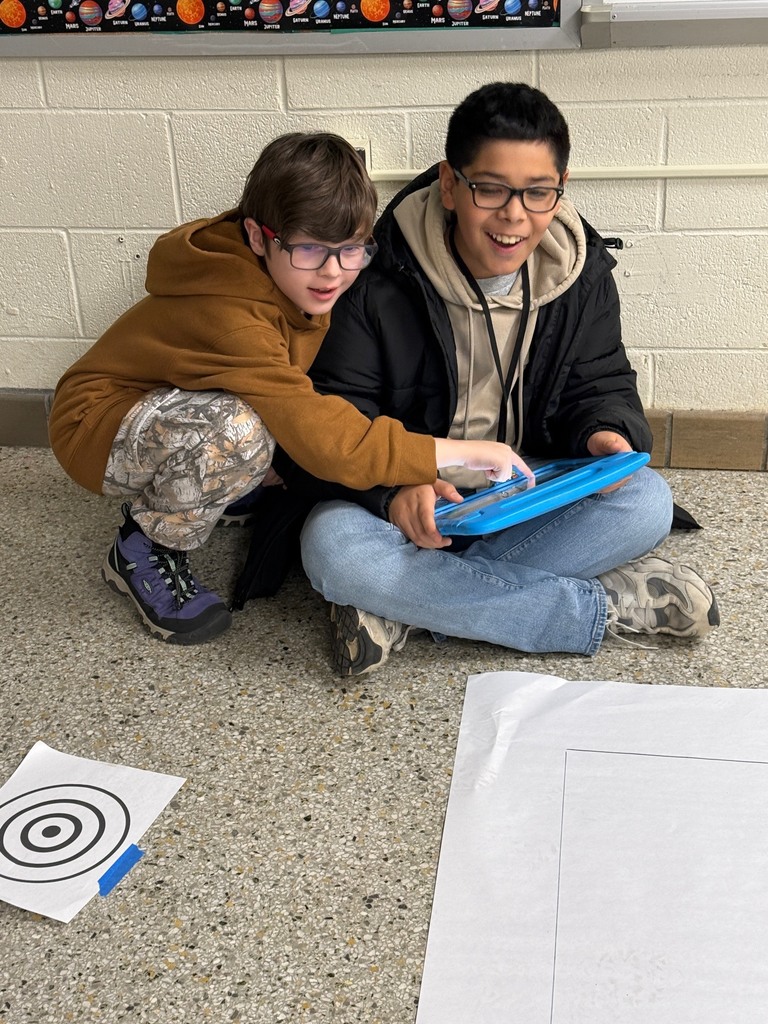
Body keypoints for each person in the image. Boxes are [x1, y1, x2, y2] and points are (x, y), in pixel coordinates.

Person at [291, 83, 719, 675]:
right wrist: (392, 492)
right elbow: (334, 419)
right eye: (490, 189)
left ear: (559, 191)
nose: (514, 215)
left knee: (646, 501)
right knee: (333, 547)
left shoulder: (580, 272)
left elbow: (601, 383)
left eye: (538, 193)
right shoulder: (376, 273)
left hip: (521, 489)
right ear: (449, 184)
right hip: (414, 492)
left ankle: (405, 606)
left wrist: (606, 432)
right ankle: (602, 607)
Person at [48, 132, 525, 646]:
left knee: (278, 428)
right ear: (258, 236)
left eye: (350, 251)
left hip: (172, 402)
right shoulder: (234, 317)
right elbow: (326, 438)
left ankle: (214, 486)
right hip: (95, 423)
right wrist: (458, 455)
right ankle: (144, 546)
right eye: (310, 249)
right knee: (242, 433)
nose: (332, 272)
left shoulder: (286, 271)